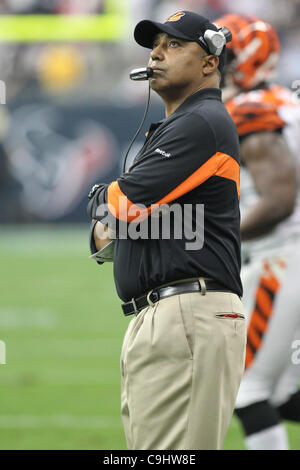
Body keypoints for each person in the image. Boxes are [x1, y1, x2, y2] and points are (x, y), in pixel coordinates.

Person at [87, 10, 246, 450]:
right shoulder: (182, 126)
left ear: (210, 61)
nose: (156, 53)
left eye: (174, 44)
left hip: (187, 313)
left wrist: (106, 201)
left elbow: (115, 207)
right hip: (171, 315)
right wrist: (116, 212)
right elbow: (115, 224)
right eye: (155, 45)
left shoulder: (200, 123)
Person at [215, 13, 300, 450]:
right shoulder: (284, 102)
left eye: (221, 55)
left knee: (247, 389)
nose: (214, 63)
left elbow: (279, 201)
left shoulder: (251, 109)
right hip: (287, 257)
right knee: (286, 395)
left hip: (283, 257)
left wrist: (217, 236)